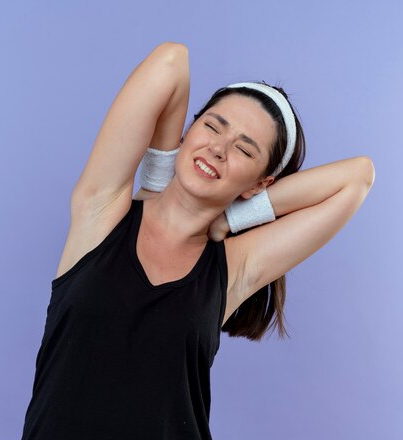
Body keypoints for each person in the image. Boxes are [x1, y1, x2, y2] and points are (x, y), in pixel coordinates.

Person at [20, 42, 374, 439]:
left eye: (243, 149)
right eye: (212, 126)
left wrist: (235, 217)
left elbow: (357, 177)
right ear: (188, 131)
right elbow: (172, 60)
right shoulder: (101, 213)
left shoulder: (232, 268)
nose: (219, 149)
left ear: (260, 182)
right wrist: (157, 178)